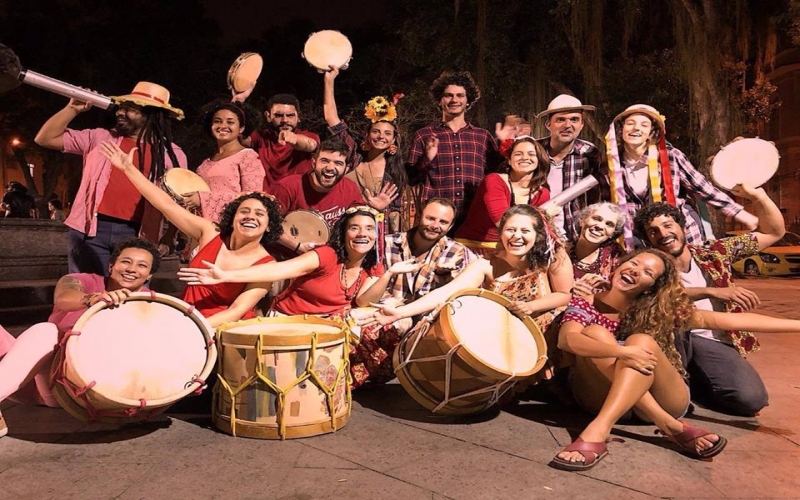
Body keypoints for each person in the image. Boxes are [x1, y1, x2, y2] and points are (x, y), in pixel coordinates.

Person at [552, 247, 800, 471]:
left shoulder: (656, 310)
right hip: (598, 395)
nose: (636, 271)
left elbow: (728, 321)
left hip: (665, 396)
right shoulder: (585, 302)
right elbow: (568, 341)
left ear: (651, 286)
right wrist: (622, 352)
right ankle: (670, 425)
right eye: (634, 263)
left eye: (648, 272)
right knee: (596, 334)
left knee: (642, 341)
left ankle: (598, 430)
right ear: (619, 265)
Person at [178, 206, 421, 387]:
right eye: (354, 227)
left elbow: (364, 301)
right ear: (344, 232)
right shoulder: (326, 255)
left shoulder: (371, 264)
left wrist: (389, 273)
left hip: (329, 325)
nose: (362, 233)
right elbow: (279, 269)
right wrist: (226, 276)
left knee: (388, 322)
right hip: (291, 322)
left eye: (369, 229)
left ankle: (337, 383)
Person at [633, 183, 784, 416]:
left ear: (681, 226)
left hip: (716, 341)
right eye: (653, 231)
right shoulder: (650, 265)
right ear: (647, 239)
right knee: (671, 402)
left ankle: (697, 384)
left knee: (751, 400)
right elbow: (661, 296)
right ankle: (678, 387)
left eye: (667, 225)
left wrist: (759, 196)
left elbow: (774, 232)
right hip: (675, 339)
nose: (663, 234)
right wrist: (711, 292)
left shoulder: (713, 252)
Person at [99, 141, 282, 327]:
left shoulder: (267, 264)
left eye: (259, 214)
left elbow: (236, 311)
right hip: (187, 319)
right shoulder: (210, 232)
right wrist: (128, 169)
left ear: (268, 226)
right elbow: (166, 204)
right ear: (232, 217)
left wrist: (190, 328)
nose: (250, 217)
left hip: (225, 332)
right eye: (244, 211)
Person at [0, 238, 160, 438]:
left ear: (149, 275)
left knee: (45, 331)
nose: (132, 269)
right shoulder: (82, 280)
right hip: (24, 380)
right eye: (126, 261)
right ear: (111, 265)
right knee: (45, 331)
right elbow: (64, 297)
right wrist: (92, 299)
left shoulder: (152, 305)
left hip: (66, 389)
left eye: (142, 265)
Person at [34, 81, 187, 275]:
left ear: (151, 114)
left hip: (140, 234)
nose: (120, 112)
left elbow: (179, 201)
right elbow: (45, 138)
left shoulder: (171, 154)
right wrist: (71, 109)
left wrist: (169, 236)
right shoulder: (100, 137)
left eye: (130, 109)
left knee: (129, 298)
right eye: (121, 107)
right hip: (90, 230)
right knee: (88, 293)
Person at [365, 204, 573, 340]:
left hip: (549, 333)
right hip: (507, 337)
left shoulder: (554, 255)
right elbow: (446, 292)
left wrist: (531, 306)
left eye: (525, 231)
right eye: (510, 230)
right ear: (501, 234)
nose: (516, 236)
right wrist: (398, 313)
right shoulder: (487, 264)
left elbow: (565, 295)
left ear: (537, 235)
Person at [605, 104, 757, 249]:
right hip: (639, 240)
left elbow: (704, 189)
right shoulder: (610, 164)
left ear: (652, 132)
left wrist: (742, 215)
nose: (636, 128)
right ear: (621, 129)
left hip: (682, 235)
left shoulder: (671, 157)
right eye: (630, 123)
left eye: (644, 125)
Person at [406, 71, 506, 231]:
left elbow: (499, 176)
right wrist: (427, 159)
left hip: (474, 218)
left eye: (460, 95)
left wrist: (506, 145)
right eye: (448, 95)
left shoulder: (482, 136)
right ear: (439, 100)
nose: (454, 100)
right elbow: (411, 179)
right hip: (437, 221)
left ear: (468, 101)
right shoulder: (424, 135)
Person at [323, 67, 406, 233]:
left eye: (387, 133)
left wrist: (383, 210)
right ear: (367, 135)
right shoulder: (353, 155)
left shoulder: (395, 171)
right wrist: (329, 80)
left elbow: (395, 213)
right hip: (340, 227)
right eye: (376, 131)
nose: (381, 136)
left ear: (393, 140)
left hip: (373, 232)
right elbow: (331, 119)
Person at [455, 136, 550, 257]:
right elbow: (503, 222)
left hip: (511, 248)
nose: (525, 157)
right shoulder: (494, 180)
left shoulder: (543, 193)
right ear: (509, 160)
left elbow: (536, 230)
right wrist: (545, 214)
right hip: (473, 246)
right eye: (518, 154)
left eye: (531, 154)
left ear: (539, 160)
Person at [270, 137, 364, 254]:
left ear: (346, 169)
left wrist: (375, 208)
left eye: (338, 163)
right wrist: (297, 246)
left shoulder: (350, 188)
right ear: (313, 163)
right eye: (324, 161)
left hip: (328, 257)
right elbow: (268, 224)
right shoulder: (287, 187)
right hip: (286, 257)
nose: (330, 167)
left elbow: (359, 222)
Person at [535, 94, 605, 241]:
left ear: (582, 125)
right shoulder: (534, 151)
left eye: (574, 119)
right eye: (560, 119)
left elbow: (596, 197)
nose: (567, 125)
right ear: (548, 124)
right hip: (536, 233)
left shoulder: (589, 154)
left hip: (573, 236)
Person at [180, 101, 264, 223]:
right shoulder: (205, 163)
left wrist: (203, 199)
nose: (223, 125)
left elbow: (253, 197)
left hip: (230, 228)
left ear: (241, 128)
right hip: (200, 229)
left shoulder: (248, 157)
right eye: (217, 121)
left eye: (230, 122)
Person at [233, 91, 319, 191]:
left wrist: (295, 139)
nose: (285, 120)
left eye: (290, 115)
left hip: (298, 202)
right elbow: (239, 137)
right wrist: (237, 101)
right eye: (278, 115)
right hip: (268, 202)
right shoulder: (262, 137)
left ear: (298, 116)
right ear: (268, 116)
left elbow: (310, 144)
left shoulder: (309, 135)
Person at [569, 202, 627, 295]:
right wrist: (567, 289)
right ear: (581, 221)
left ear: (612, 234)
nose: (600, 226)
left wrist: (607, 287)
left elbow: (625, 293)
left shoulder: (615, 254)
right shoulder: (561, 251)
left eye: (609, 224)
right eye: (597, 219)